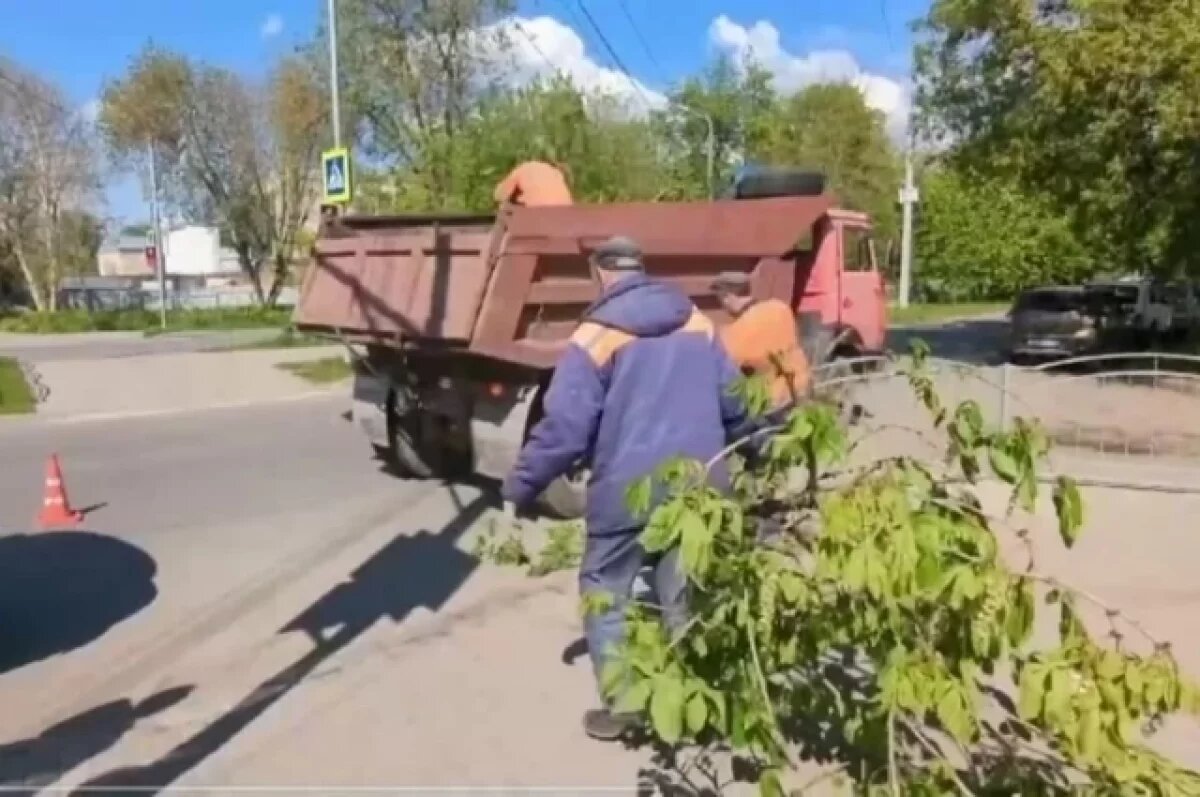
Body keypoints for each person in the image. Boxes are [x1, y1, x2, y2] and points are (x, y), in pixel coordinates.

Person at [501, 236, 751, 741]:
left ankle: (626, 707)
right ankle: (695, 701)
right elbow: (734, 401)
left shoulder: (593, 337)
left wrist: (522, 483)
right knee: (686, 593)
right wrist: (759, 447)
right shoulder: (699, 323)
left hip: (625, 492)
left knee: (607, 591)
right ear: (641, 269)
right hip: (701, 487)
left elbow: (566, 428)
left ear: (600, 275)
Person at [711, 271, 811, 419]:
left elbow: (727, 376)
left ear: (727, 297)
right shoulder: (779, 308)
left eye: (720, 300)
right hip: (801, 389)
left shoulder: (735, 333)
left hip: (772, 405)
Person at [492, 160, 574, 207]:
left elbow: (499, 195)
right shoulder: (557, 175)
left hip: (535, 217)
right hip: (563, 219)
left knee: (505, 205)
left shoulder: (524, 168)